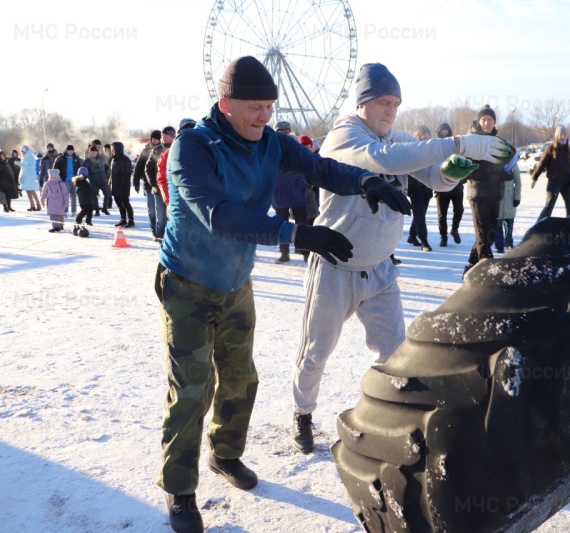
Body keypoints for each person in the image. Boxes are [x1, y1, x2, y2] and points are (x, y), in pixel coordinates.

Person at [154, 55, 412, 533]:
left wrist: (366, 180)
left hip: (234, 283)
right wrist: (296, 234)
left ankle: (225, 455)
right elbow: (219, 215)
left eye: (269, 106)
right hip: (187, 283)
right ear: (225, 103)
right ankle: (180, 490)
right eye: (254, 107)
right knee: (192, 388)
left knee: (240, 379)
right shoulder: (194, 147)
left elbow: (320, 168)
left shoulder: (270, 142)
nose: (264, 117)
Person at [290, 63, 507, 455]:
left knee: (396, 355)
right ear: (363, 103)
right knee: (316, 351)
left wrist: (461, 165)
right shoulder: (345, 135)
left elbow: (437, 180)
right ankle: (303, 413)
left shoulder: (399, 138)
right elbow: (385, 161)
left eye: (396, 103)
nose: (391, 110)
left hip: (379, 271)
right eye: (384, 102)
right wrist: (459, 142)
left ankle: (386, 420)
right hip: (335, 268)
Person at [461, 105, 516, 276]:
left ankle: (471, 265)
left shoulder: (499, 142)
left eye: (490, 120)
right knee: (483, 236)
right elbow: (467, 170)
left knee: (489, 235)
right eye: (483, 119)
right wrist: (491, 171)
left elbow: (504, 167)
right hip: (478, 194)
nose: (486, 123)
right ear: (479, 121)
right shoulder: (471, 141)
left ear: (494, 122)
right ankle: (487, 273)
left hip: (494, 194)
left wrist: (505, 174)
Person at [531, 125, 570, 223]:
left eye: (565, 134)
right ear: (557, 136)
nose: (563, 136)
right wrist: (534, 178)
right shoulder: (551, 149)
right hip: (554, 183)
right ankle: (538, 227)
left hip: (567, 184)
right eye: (561, 134)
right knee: (548, 207)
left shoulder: (569, 150)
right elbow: (541, 164)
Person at [434, 122, 464, 247]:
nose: (444, 133)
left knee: (459, 210)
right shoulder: (435, 146)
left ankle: (454, 229)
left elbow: (463, 161)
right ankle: (443, 236)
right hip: (440, 186)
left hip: (456, 185)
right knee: (442, 214)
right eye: (442, 131)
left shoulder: (455, 145)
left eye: (446, 131)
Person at [406, 125, 435, 252]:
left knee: (421, 213)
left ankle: (412, 236)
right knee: (419, 214)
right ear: (418, 137)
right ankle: (424, 240)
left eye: (428, 134)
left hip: (427, 186)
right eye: (424, 134)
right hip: (415, 185)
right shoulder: (413, 149)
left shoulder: (432, 150)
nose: (427, 136)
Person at [144, 126, 174, 241]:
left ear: (172, 136)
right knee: (160, 216)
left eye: (165, 136)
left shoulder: (177, 147)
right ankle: (159, 236)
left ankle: (171, 238)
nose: (163, 138)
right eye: (162, 136)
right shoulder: (157, 149)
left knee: (172, 216)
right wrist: (153, 183)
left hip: (173, 190)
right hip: (158, 189)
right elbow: (148, 167)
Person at [157, 118, 196, 204]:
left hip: (203, 203)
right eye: (185, 131)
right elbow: (162, 179)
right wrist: (169, 200)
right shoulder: (168, 154)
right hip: (179, 203)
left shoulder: (206, 150)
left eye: (193, 130)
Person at [133, 130, 161, 228]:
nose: (155, 141)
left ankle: (160, 231)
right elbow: (139, 167)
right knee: (152, 210)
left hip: (161, 185)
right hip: (149, 184)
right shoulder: (146, 151)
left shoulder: (164, 149)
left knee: (161, 211)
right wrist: (135, 181)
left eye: (157, 139)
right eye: (153, 139)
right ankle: (154, 229)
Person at [495, 161, 522, 253]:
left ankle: (508, 242)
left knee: (509, 222)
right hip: (497, 196)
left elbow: (518, 182)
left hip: (510, 197)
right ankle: (499, 245)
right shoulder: (495, 162)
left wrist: (517, 197)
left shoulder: (513, 164)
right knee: (497, 222)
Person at [109, 142, 134, 227]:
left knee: (125, 203)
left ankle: (131, 220)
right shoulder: (113, 160)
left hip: (123, 186)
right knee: (118, 203)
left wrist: (123, 185)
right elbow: (112, 173)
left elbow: (127, 174)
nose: (112, 150)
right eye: (111, 148)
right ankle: (123, 219)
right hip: (115, 185)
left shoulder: (125, 160)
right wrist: (110, 182)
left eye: (113, 148)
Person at [53, 145, 83, 216]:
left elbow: (79, 167)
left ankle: (73, 211)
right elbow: (55, 168)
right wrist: (58, 177)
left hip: (74, 179)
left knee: (73, 195)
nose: (70, 152)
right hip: (64, 179)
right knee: (65, 195)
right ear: (66, 151)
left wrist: (78, 177)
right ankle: (65, 211)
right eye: (69, 150)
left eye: (71, 151)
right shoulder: (61, 158)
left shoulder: (76, 158)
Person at [83, 146, 111, 216]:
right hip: (94, 181)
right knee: (94, 196)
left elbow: (108, 167)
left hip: (103, 180)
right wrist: (90, 177)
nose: (93, 153)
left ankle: (105, 207)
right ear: (90, 152)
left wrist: (106, 175)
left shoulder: (102, 159)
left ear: (97, 152)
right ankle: (97, 210)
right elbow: (85, 171)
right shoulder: (88, 161)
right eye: (91, 152)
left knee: (107, 194)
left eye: (94, 152)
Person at [19, 146, 42, 211]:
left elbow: (31, 167)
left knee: (32, 191)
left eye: (23, 151)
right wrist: (20, 176)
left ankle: (38, 204)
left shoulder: (31, 157)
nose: (22, 153)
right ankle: (32, 205)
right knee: (27, 191)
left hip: (31, 176)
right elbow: (22, 169)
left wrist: (21, 164)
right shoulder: (23, 158)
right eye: (21, 152)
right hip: (25, 176)